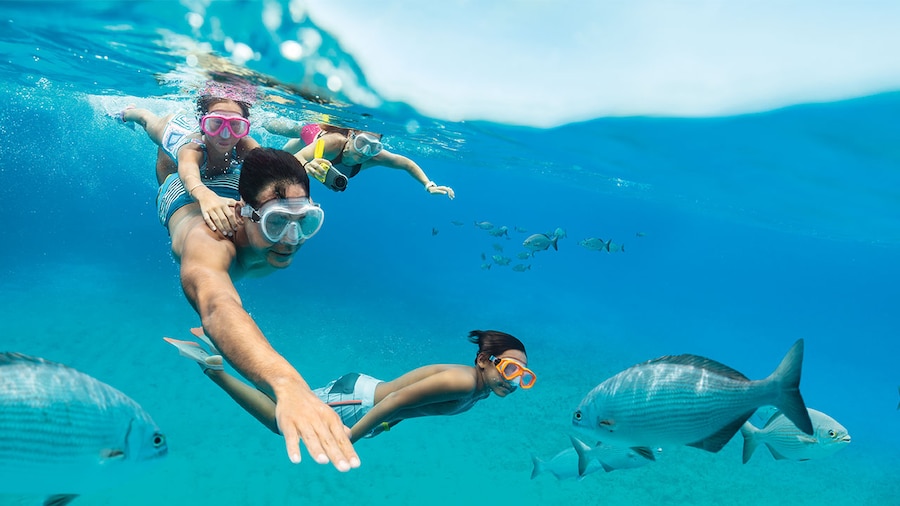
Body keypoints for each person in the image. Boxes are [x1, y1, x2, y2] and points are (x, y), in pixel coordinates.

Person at [152, 145, 359, 471]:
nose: (291, 238)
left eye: (305, 221)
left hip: (239, 188)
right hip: (181, 198)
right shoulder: (208, 242)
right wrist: (286, 383)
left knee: (242, 155)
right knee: (171, 166)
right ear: (242, 213)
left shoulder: (271, 208)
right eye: (277, 223)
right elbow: (217, 306)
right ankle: (159, 128)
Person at [164, 329, 534, 443]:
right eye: (508, 368)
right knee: (283, 422)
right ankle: (214, 369)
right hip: (358, 402)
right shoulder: (464, 382)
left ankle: (221, 352)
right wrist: (351, 437)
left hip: (362, 398)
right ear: (484, 360)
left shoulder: (477, 387)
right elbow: (398, 399)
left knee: (289, 402)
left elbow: (409, 405)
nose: (513, 380)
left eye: (522, 376)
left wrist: (383, 427)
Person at [117, 85, 261, 236]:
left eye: (235, 124)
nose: (225, 134)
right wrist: (204, 195)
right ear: (202, 124)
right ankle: (126, 112)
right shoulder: (192, 149)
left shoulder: (245, 145)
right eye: (216, 123)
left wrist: (249, 201)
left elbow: (264, 173)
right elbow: (189, 178)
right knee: (146, 119)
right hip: (176, 133)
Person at [264, 120, 455, 199]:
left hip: (314, 150)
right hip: (311, 132)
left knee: (280, 160)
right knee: (274, 131)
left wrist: (428, 184)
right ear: (351, 135)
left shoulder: (375, 157)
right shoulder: (333, 142)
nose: (365, 152)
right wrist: (306, 164)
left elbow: (406, 164)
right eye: (362, 143)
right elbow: (299, 157)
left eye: (373, 147)